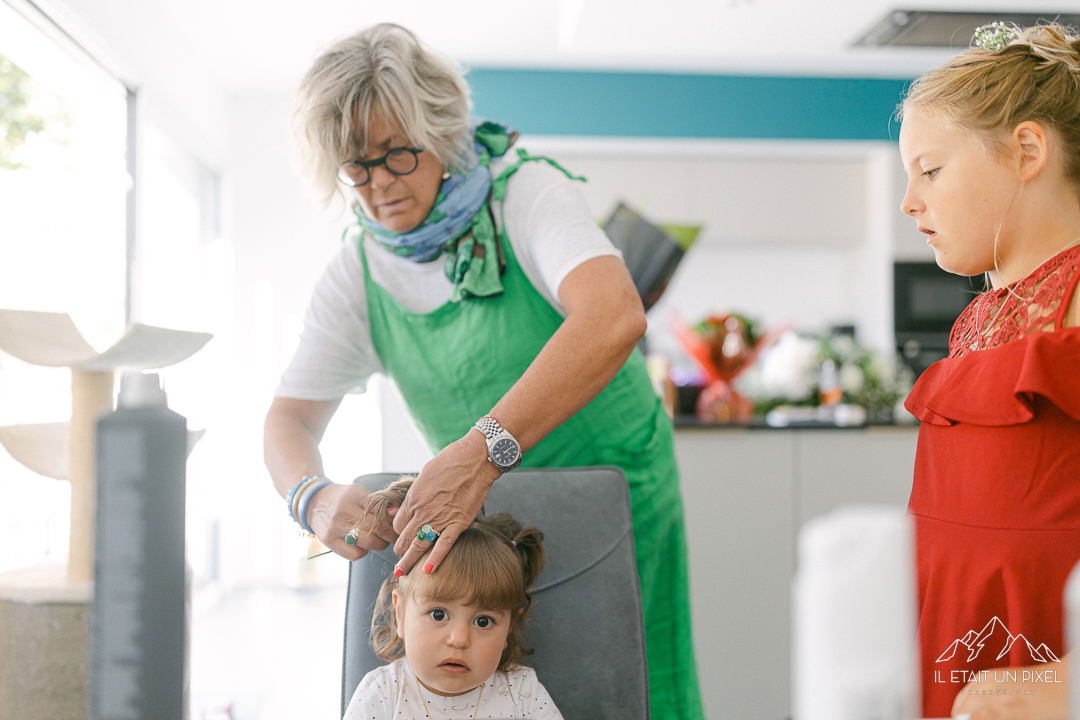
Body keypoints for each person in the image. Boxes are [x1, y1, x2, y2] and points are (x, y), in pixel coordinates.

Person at [262, 23, 704, 718]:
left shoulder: (523, 194)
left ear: (439, 132)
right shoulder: (358, 271)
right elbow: (288, 420)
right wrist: (312, 499)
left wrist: (480, 452)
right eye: (356, 167)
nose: (379, 188)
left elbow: (614, 316)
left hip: (617, 490)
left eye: (397, 155)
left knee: (630, 687)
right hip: (487, 515)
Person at [898, 21, 1080, 720]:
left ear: (1028, 150)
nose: (910, 202)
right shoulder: (977, 320)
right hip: (958, 643)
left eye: (931, 170)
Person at [341, 477, 562, 720]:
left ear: (508, 629)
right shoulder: (382, 691)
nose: (459, 639)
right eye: (438, 615)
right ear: (400, 614)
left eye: (483, 621)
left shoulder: (521, 691)